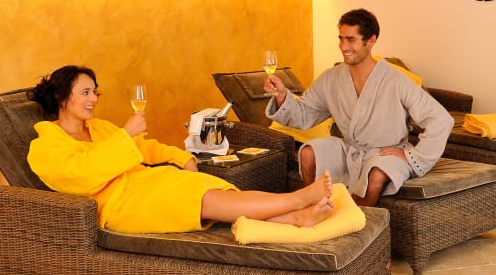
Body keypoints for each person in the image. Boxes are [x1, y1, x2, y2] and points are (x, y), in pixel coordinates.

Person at [26, 65, 334, 234]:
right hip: (121, 206)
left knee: (215, 191)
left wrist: (182, 157)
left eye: (95, 92)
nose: (93, 99)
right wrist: (124, 136)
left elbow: (145, 148)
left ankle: (297, 219)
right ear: (62, 97)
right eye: (85, 92)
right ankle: (297, 199)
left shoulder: (99, 128)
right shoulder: (45, 146)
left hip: (147, 184)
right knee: (206, 199)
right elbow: (81, 176)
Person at [264, 8, 452, 207]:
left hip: (385, 153)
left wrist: (411, 156)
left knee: (377, 173)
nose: (343, 46)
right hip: (350, 149)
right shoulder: (331, 78)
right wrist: (282, 96)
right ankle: (311, 209)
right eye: (341, 39)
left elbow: (441, 120)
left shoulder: (396, 80)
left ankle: (358, 220)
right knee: (308, 152)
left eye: (351, 40)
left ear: (371, 41)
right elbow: (304, 115)